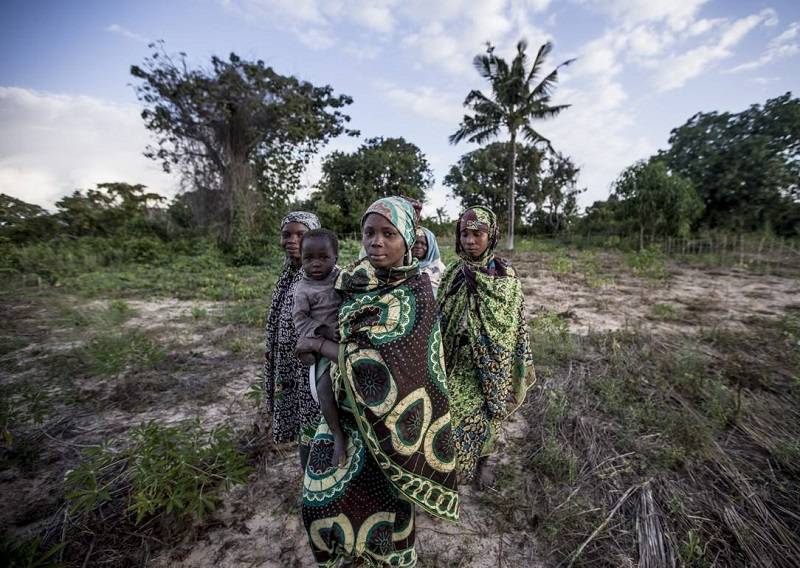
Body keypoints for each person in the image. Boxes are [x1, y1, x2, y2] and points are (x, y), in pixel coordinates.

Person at [296, 196, 459, 567]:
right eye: (369, 232)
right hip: (343, 412)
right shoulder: (353, 278)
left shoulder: (415, 291)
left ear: (406, 239)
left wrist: (319, 344)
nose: (377, 242)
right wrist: (319, 345)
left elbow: (382, 363)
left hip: (390, 425)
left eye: (389, 233)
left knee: (386, 509)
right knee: (319, 502)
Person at [437, 206, 535, 485]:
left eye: (477, 233)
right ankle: (450, 470)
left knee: (490, 413)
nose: (470, 240)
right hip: (456, 357)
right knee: (452, 413)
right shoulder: (454, 271)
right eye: (464, 234)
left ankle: (483, 462)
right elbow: (441, 313)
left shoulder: (504, 275)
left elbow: (512, 321)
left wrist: (492, 348)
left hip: (493, 361)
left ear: (490, 235)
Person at [264, 211, 322, 471]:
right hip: (291, 371)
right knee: (304, 433)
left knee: (318, 433)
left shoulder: (325, 275)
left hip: (316, 374)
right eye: (286, 234)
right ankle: (310, 486)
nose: (292, 240)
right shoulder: (287, 277)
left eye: (301, 234)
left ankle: (320, 489)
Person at [292, 228, 346, 468]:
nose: (315, 264)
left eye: (323, 257)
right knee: (325, 391)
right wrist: (323, 331)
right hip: (324, 345)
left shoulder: (343, 277)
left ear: (336, 257)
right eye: (308, 258)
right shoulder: (303, 289)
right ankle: (337, 435)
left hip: (348, 339)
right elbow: (300, 321)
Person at [411, 226, 446, 296]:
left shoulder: (440, 269)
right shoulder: (403, 265)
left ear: (431, 247)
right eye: (415, 242)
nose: (418, 246)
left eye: (423, 244)